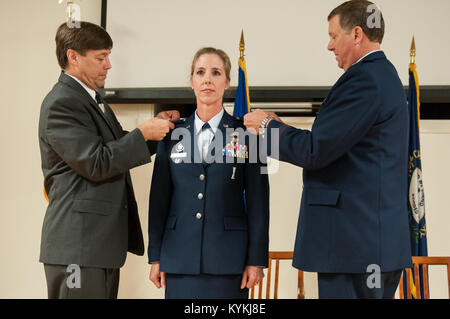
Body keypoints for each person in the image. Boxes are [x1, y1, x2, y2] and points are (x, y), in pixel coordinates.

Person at [244, 0, 412, 299]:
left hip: (354, 249)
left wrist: (268, 126)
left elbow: (315, 151)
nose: (329, 45)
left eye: (334, 36)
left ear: (357, 34)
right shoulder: (382, 76)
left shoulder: (364, 80)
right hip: (371, 246)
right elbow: (333, 144)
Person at [38, 21, 179, 299]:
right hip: (78, 249)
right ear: (73, 57)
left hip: (96, 246)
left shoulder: (89, 98)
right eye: (101, 57)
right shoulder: (62, 102)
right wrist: (142, 133)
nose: (109, 65)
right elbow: (96, 162)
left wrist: (154, 132)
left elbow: (114, 147)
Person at [148, 47, 270, 299]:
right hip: (178, 259)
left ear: (226, 82)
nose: (207, 79)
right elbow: (158, 199)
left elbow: (259, 202)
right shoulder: (170, 133)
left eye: (216, 73)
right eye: (200, 72)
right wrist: (156, 256)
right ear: (191, 81)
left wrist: (256, 260)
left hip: (229, 261)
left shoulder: (248, 134)